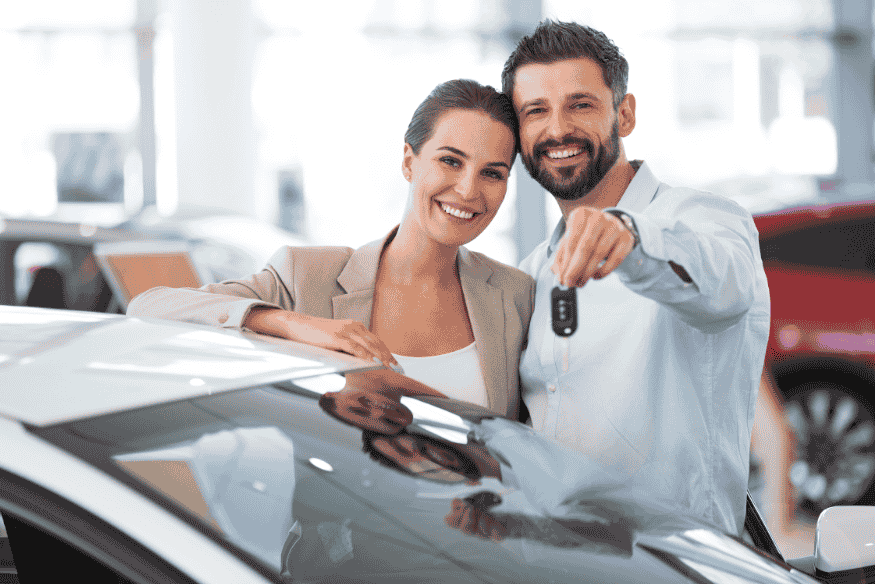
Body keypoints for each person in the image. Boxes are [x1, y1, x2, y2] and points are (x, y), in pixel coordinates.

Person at [127, 79, 534, 419]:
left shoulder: (515, 295)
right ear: (409, 162)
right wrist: (292, 324)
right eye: (451, 161)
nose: (468, 190)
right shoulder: (307, 277)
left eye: (492, 173)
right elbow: (149, 307)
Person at [501, 21, 770, 536]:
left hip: (676, 558)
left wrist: (629, 237)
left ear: (623, 114)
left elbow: (726, 285)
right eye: (535, 111)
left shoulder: (705, 219)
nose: (557, 129)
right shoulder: (531, 273)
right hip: (555, 557)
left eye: (580, 104)